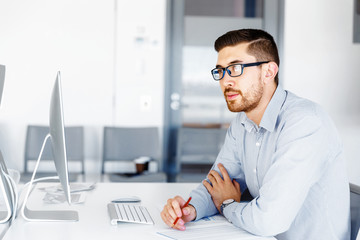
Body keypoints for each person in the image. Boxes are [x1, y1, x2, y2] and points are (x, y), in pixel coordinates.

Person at [161, 29, 350, 240]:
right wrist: (189, 209)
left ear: (268, 72)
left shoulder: (305, 123)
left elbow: (268, 221)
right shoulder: (241, 123)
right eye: (221, 71)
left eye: (235, 68)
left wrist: (227, 204)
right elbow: (217, 184)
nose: (225, 81)